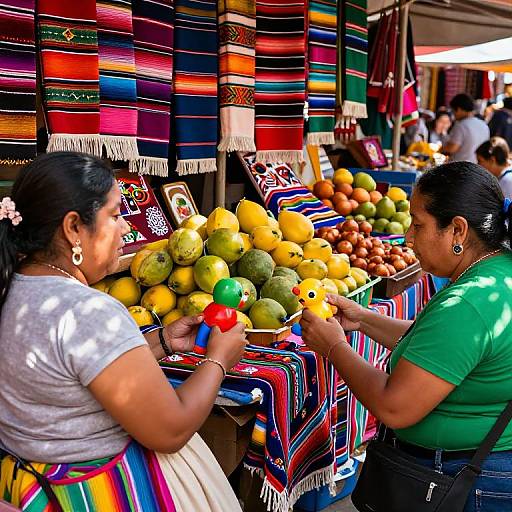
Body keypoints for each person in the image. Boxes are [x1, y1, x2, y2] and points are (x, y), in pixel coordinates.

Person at [0, 152, 248, 511]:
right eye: (115, 215)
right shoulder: (87, 311)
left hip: (30, 487)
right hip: (97, 495)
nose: (127, 227)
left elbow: (70, 375)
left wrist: (160, 341)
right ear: (73, 228)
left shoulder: (14, 288)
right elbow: (170, 430)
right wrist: (219, 360)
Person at [300, 161, 512, 512]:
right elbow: (439, 352)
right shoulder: (498, 268)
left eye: (418, 224)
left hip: (460, 482)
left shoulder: (469, 304)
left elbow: (394, 407)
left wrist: (334, 346)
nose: (408, 238)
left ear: (457, 230)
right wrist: (362, 319)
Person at [442, 93, 490, 163]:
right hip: (477, 167)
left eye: (453, 111)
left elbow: (452, 148)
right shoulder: (484, 125)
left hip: (460, 167)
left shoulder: (461, 125)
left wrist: (440, 148)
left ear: (459, 109)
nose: (454, 115)